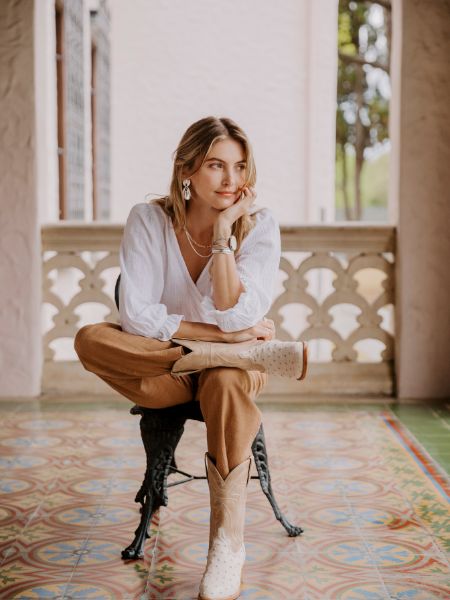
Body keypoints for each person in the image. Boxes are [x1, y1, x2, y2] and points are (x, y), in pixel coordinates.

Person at [74, 116, 307, 600]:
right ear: (186, 169)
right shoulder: (149, 219)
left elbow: (237, 310)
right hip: (167, 372)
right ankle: (220, 358)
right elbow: (136, 316)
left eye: (240, 167)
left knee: (225, 377)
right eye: (216, 165)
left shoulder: (259, 228)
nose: (231, 180)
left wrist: (223, 235)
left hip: (226, 376)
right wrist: (224, 341)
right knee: (92, 338)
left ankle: (227, 547)